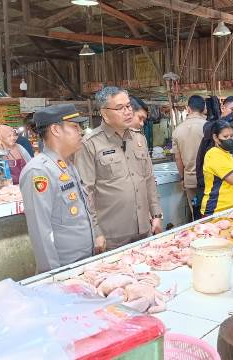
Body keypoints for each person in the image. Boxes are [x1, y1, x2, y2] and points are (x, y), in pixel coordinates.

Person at [19, 104, 106, 274]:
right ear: (56, 130)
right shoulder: (39, 171)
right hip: (64, 269)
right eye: (74, 126)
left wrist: (96, 234)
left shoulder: (67, 165)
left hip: (84, 263)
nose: (80, 131)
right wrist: (53, 277)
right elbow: (41, 232)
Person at [75, 86, 163, 250]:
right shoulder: (90, 144)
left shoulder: (139, 139)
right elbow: (86, 192)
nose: (128, 111)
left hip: (144, 229)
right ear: (104, 113)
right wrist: (96, 232)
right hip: (112, 237)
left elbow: (149, 180)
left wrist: (157, 214)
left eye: (128, 106)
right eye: (120, 108)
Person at [195, 95, 233, 194]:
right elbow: (210, 129)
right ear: (222, 108)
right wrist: (231, 115)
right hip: (212, 188)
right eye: (232, 109)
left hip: (231, 186)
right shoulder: (210, 126)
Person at [172, 95, 206, 217]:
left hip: (190, 179)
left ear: (188, 109)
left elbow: (178, 158)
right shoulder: (208, 127)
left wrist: (182, 178)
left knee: (195, 213)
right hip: (209, 179)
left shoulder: (177, 130)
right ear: (204, 109)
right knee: (210, 213)